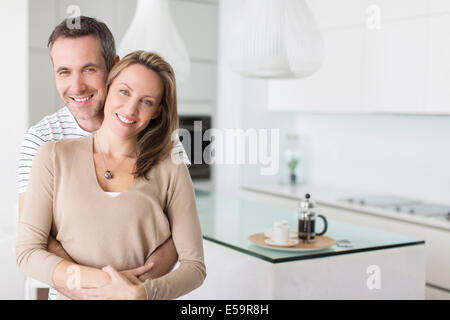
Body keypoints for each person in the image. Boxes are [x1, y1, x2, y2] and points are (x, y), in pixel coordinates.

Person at [17, 16, 187, 299]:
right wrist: (97, 291)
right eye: (64, 72)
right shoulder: (41, 141)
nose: (77, 86)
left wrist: (132, 289)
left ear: (114, 66)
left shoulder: (163, 139)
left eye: (89, 69)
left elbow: (179, 234)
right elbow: (36, 239)